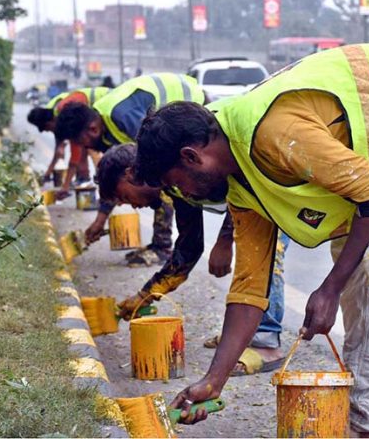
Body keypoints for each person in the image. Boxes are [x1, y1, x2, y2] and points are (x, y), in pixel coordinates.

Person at [134, 43, 369, 436]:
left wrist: (329, 287)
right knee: (355, 279)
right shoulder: (241, 185)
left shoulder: (273, 134)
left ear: (190, 157)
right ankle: (361, 418)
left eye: (175, 185)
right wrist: (213, 380)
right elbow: (251, 288)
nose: (186, 196)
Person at [98, 144, 289, 374]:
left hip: (270, 190)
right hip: (250, 199)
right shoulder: (173, 186)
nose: (134, 206)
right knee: (250, 260)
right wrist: (145, 295)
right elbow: (189, 247)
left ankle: (266, 343)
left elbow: (242, 178)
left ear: (130, 173)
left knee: (265, 254)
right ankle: (245, 334)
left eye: (123, 196)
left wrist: (225, 240)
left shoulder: (179, 164)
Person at [54, 73, 205, 266]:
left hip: (189, 102)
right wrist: (100, 220)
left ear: (91, 129)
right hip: (173, 117)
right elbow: (114, 179)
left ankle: (162, 247)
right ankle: (160, 244)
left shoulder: (123, 118)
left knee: (159, 177)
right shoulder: (104, 128)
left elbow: (154, 166)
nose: (84, 147)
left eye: (80, 142)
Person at [27, 87, 111, 185]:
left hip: (108, 104)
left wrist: (66, 185)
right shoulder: (55, 114)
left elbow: (75, 155)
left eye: (48, 129)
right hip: (97, 115)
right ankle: (87, 178)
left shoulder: (69, 118)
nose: (51, 132)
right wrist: (48, 173)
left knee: (94, 150)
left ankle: (104, 183)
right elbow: (58, 151)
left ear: (49, 123)